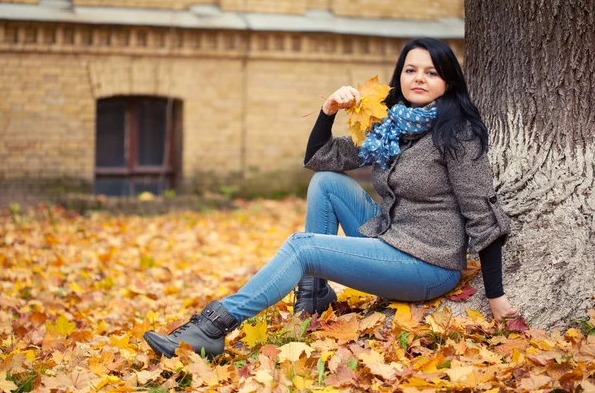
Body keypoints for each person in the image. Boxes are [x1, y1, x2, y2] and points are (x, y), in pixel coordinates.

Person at [143, 37, 519, 359]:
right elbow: (319, 158)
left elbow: (481, 214)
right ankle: (313, 298)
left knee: (302, 248)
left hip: (427, 265)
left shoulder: (458, 134)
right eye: (410, 70)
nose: (418, 78)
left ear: (449, 82)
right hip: (389, 239)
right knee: (326, 181)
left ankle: (212, 328)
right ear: (399, 76)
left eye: (431, 72)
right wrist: (329, 111)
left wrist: (496, 296)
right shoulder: (391, 126)